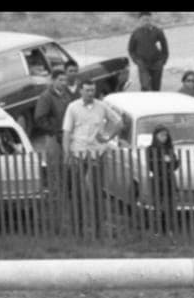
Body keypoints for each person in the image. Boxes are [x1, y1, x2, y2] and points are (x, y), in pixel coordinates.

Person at [61, 81, 121, 234]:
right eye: (87, 90)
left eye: (93, 90)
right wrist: (67, 154)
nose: (90, 93)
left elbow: (119, 122)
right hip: (78, 153)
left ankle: (98, 227)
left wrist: (107, 137)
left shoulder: (102, 106)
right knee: (77, 192)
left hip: (96, 154)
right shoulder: (73, 107)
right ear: (80, 91)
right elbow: (66, 132)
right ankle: (78, 227)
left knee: (96, 192)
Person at [32, 68, 74, 161]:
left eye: (65, 80)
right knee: (54, 162)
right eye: (60, 80)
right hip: (53, 137)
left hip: (66, 135)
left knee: (67, 162)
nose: (64, 83)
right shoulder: (46, 96)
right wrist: (53, 131)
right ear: (53, 80)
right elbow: (40, 118)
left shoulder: (67, 94)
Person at [147, 125, 179, 235]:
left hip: (170, 180)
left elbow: (175, 163)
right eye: (161, 135)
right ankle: (158, 230)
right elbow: (151, 165)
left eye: (165, 135)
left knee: (170, 206)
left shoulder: (169, 149)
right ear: (156, 136)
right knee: (158, 206)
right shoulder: (150, 149)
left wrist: (171, 162)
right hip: (158, 180)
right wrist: (165, 163)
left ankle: (169, 229)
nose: (164, 137)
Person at [128, 12, 169, 92]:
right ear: (140, 21)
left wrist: (163, 61)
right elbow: (131, 49)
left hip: (157, 63)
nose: (146, 22)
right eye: (144, 20)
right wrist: (136, 61)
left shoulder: (158, 31)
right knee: (145, 85)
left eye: (148, 20)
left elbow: (165, 47)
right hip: (142, 63)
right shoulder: (135, 33)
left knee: (156, 88)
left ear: (151, 20)